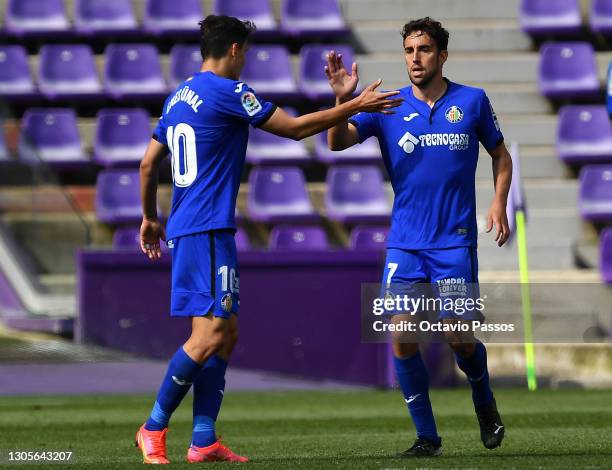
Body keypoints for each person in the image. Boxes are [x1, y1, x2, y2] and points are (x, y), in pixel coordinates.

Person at [135, 14, 402, 464]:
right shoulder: (229, 91)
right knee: (210, 334)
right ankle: (153, 427)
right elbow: (295, 130)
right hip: (207, 229)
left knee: (226, 332)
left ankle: (203, 439)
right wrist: (353, 106)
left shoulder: (177, 96)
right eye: (247, 54)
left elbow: (146, 166)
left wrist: (148, 217)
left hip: (188, 226)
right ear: (235, 50)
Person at [325, 17, 512, 457]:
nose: (415, 58)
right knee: (401, 333)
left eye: (424, 50)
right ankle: (427, 437)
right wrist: (342, 100)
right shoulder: (386, 106)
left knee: (456, 336)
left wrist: (498, 203)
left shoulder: (472, 101)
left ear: (442, 55)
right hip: (405, 243)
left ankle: (483, 399)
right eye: (409, 50)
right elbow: (335, 143)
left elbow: (501, 156)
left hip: (454, 241)